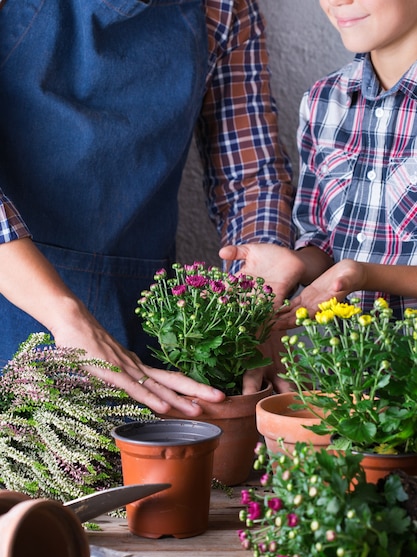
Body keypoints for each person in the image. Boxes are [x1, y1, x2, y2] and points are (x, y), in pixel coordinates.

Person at [0, 0, 294, 414]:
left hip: (145, 324)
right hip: (11, 302)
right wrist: (65, 313)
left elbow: (250, 177)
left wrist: (258, 285)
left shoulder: (225, 8)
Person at [220, 0, 417, 327]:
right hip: (339, 371)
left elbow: (352, 271)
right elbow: (324, 241)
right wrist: (295, 262)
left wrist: (364, 274)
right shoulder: (324, 101)